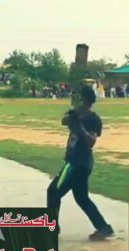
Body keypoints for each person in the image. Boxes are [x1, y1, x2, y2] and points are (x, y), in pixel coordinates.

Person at [47, 85, 114, 241]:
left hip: (78, 164)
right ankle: (104, 228)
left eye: (78, 96)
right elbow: (64, 121)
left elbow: (91, 142)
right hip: (75, 163)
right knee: (82, 198)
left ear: (84, 99)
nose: (74, 99)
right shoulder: (76, 114)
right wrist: (73, 117)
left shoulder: (93, 119)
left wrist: (80, 127)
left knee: (53, 192)